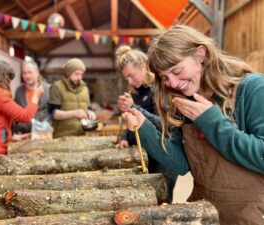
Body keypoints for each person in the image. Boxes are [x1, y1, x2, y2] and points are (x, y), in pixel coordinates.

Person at [122, 25, 264, 225]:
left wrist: (212, 122)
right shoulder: (185, 102)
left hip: (252, 216)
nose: (172, 83)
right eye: (164, 77)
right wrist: (144, 127)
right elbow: (180, 164)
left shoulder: (252, 88)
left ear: (200, 54)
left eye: (176, 71)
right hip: (207, 215)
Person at [114, 45, 178, 204]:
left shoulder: (160, 89)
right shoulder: (136, 92)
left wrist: (134, 107)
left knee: (162, 203)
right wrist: (124, 137)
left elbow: (164, 125)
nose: (129, 81)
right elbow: (131, 121)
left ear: (143, 66)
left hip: (164, 156)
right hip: (147, 154)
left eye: (131, 75)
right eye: (126, 78)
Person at [48, 58, 96, 137]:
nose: (79, 78)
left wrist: (91, 113)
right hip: (62, 136)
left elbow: (88, 108)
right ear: (68, 73)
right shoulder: (57, 87)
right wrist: (74, 113)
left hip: (82, 134)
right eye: (76, 74)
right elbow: (53, 113)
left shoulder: (85, 88)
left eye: (81, 74)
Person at [13, 60, 50, 137]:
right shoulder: (19, 91)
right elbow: (16, 114)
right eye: (24, 73)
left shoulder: (48, 89)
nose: (27, 76)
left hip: (43, 134)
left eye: (30, 72)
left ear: (37, 73)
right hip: (23, 135)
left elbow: (51, 113)